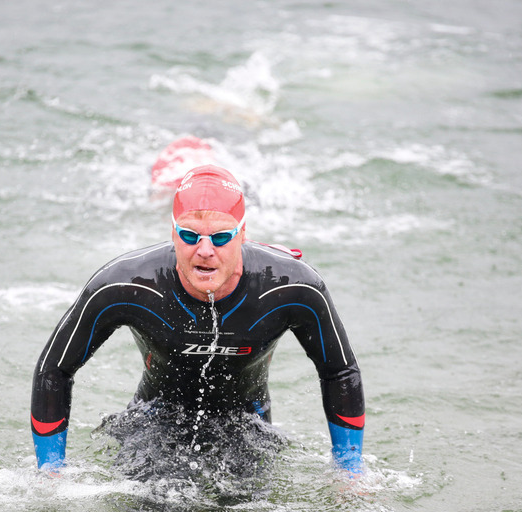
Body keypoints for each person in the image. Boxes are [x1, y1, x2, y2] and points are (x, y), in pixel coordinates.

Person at [30, 164, 365, 479]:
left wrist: (349, 473)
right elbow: (53, 369)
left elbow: (340, 371)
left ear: (242, 234)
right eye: (190, 235)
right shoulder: (128, 284)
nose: (205, 250)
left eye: (220, 237)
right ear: (173, 234)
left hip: (248, 428)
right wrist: (51, 472)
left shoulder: (290, 286)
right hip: (153, 424)